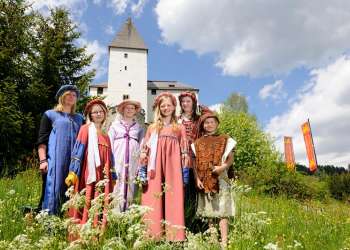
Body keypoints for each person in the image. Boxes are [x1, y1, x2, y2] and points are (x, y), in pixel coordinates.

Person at [140, 92, 189, 241]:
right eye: (163, 106)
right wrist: (142, 169)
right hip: (155, 166)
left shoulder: (179, 128)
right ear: (159, 108)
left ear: (174, 107)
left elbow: (184, 151)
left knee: (173, 196)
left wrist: (184, 171)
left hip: (173, 166)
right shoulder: (152, 128)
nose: (166, 108)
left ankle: (174, 236)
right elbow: (145, 151)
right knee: (152, 196)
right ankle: (152, 235)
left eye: (169, 105)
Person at [65, 99, 116, 228]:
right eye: (95, 112)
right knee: (86, 197)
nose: (98, 114)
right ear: (90, 115)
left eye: (101, 112)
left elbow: (110, 158)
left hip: (103, 175)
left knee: (100, 200)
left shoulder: (106, 135)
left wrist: (113, 176)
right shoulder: (85, 129)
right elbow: (78, 150)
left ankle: (97, 229)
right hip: (88, 172)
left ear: (105, 114)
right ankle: (82, 228)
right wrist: (73, 172)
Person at [191, 109, 236, 248]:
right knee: (209, 211)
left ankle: (224, 242)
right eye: (206, 123)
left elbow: (230, 158)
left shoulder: (225, 139)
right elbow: (194, 163)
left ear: (217, 124)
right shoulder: (197, 143)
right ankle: (213, 239)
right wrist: (197, 179)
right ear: (203, 125)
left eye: (212, 122)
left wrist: (222, 168)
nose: (209, 125)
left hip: (221, 178)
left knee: (223, 211)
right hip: (204, 180)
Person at [37, 84, 83, 215]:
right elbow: (42, 140)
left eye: (74, 95)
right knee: (53, 189)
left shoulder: (80, 118)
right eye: (68, 94)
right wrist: (42, 160)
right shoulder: (50, 115)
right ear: (62, 96)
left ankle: (69, 223)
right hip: (55, 161)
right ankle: (50, 223)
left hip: (74, 163)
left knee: (72, 191)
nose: (71, 97)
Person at [108, 100, 144, 212]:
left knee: (131, 183)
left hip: (133, 159)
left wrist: (140, 163)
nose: (129, 110)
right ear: (122, 110)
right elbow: (109, 142)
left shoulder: (138, 128)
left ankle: (128, 213)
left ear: (135, 111)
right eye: (127, 108)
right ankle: (115, 213)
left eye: (132, 108)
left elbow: (142, 144)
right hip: (118, 157)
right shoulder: (115, 126)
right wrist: (110, 161)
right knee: (117, 182)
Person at [177, 91, 200, 228]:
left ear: (193, 103)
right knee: (181, 194)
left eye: (188, 101)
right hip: (179, 160)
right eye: (183, 102)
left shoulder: (198, 120)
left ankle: (193, 225)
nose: (185, 104)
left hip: (196, 161)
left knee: (193, 194)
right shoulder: (177, 119)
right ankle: (180, 224)